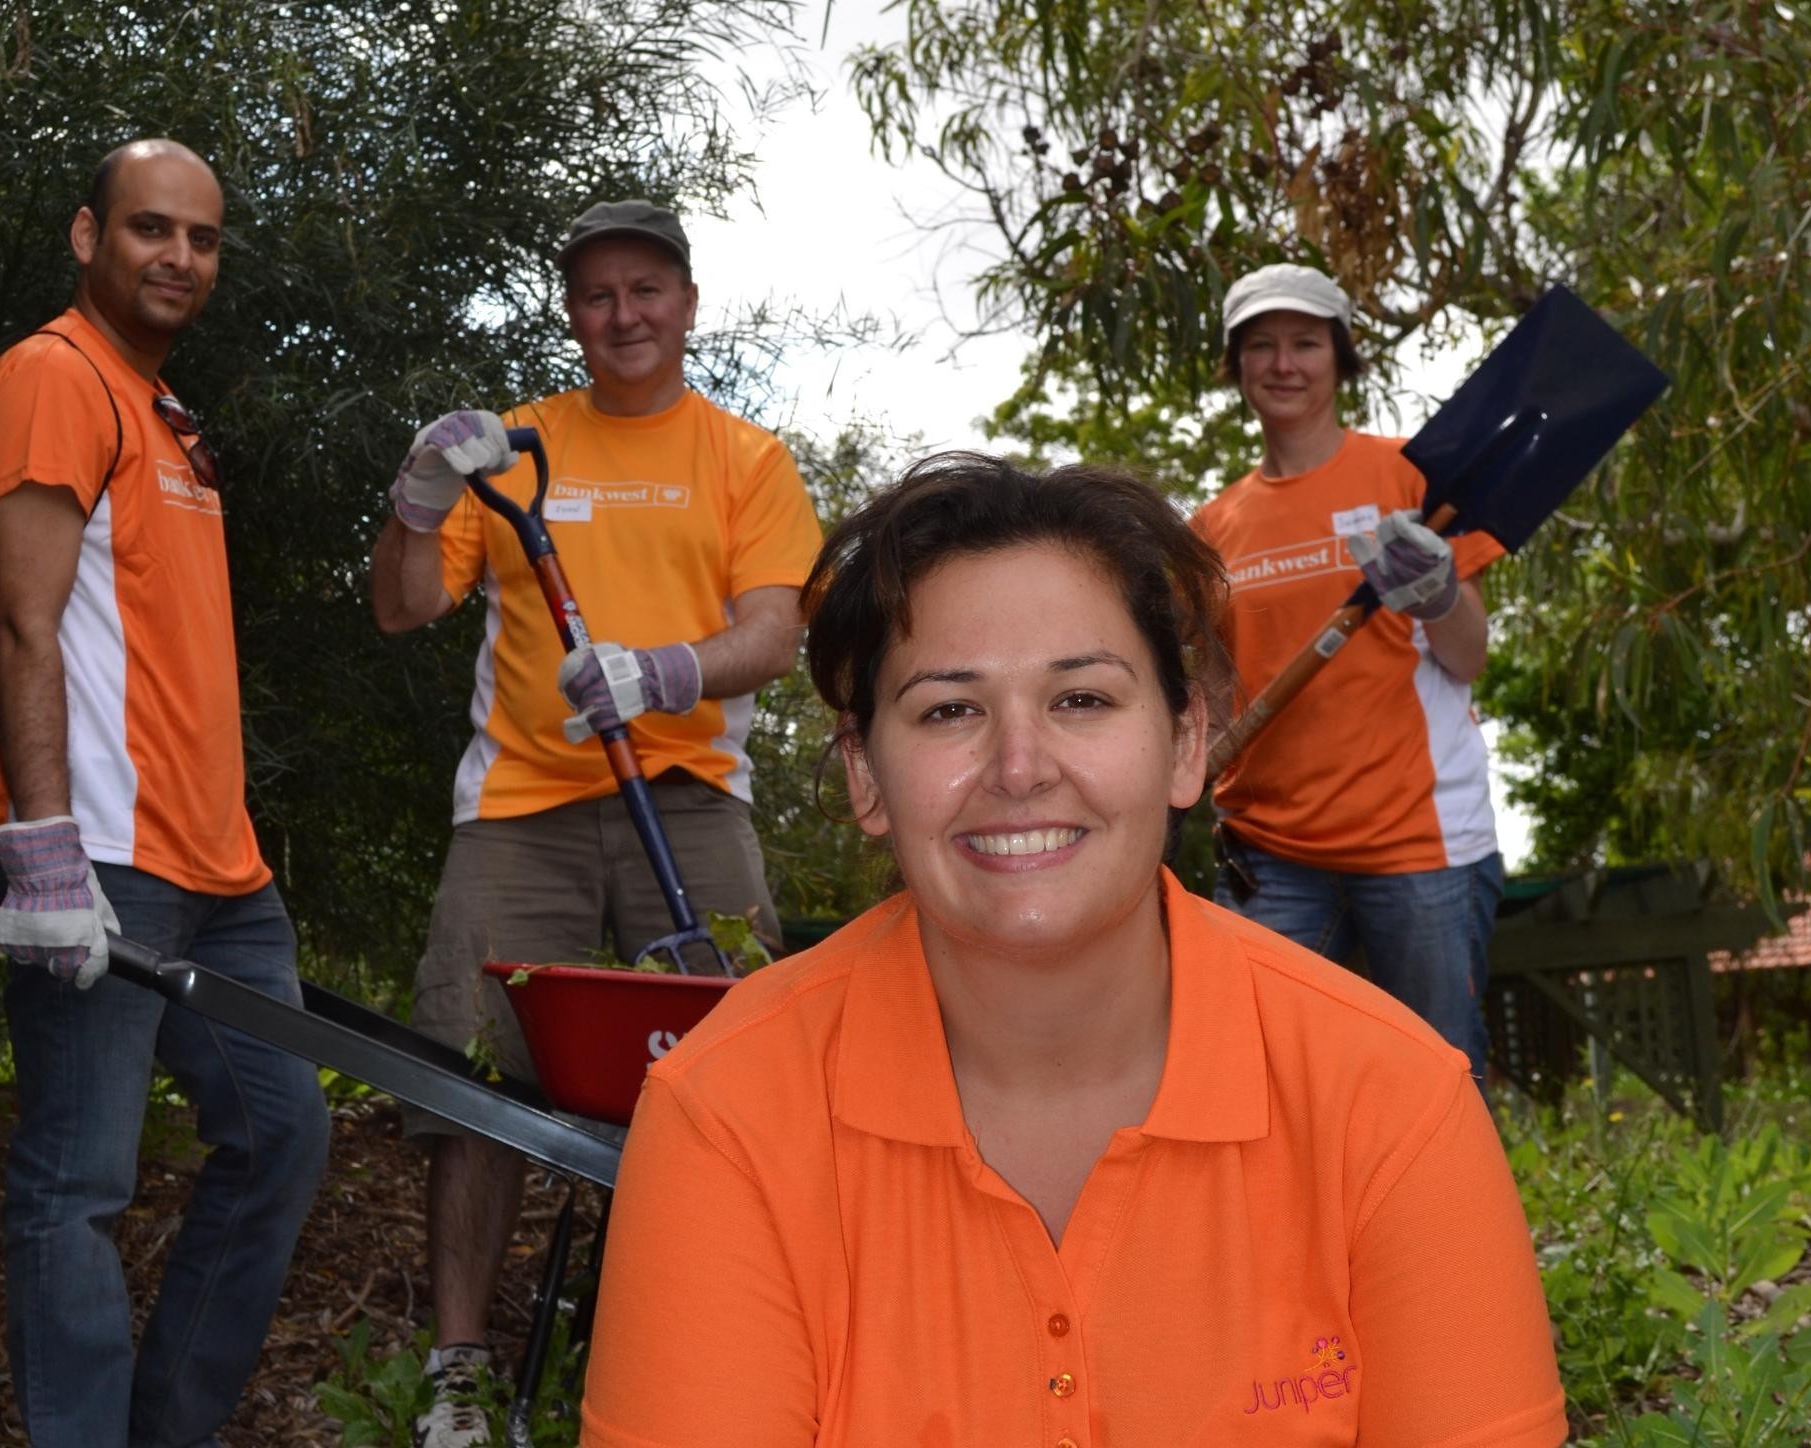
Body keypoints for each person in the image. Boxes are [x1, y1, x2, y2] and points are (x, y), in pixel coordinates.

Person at [579, 454, 1566, 1445]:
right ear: (865, 776)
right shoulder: (727, 1110)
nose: (1019, 767)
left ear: (1185, 743)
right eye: (948, 709)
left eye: (1082, 699)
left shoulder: (1389, 1104)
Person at [368, 198, 822, 1444]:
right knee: (471, 1071)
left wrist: (663, 672)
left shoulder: (746, 457)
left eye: (644, 290)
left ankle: (732, 1339)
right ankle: (458, 1371)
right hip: (521, 801)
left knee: (742, 1066)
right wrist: (415, 503)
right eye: (596, 295)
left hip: (688, 800)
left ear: (686, 302)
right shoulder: (510, 452)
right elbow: (405, 608)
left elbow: (774, 629)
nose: (622, 315)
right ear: (571, 314)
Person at [0, 138, 330, 1448]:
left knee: (283, 1137)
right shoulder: (55, 381)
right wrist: (46, 853)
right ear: (87, 236)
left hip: (221, 875)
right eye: (149, 228)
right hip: (101, 864)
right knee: (77, 1186)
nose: (178, 257)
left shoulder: (166, 415)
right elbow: (25, 623)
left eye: (203, 239)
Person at [1191, 262, 1505, 1080]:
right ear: (1237, 365)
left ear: (1341, 358)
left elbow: (1468, 657)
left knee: (1440, 1082)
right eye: (1261, 346)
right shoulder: (1212, 529)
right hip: (1269, 854)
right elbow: (1218, 691)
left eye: (1305, 343)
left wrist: (1437, 593)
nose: (1284, 364)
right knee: (1263, 1080)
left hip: (1416, 844)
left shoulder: (1407, 474)